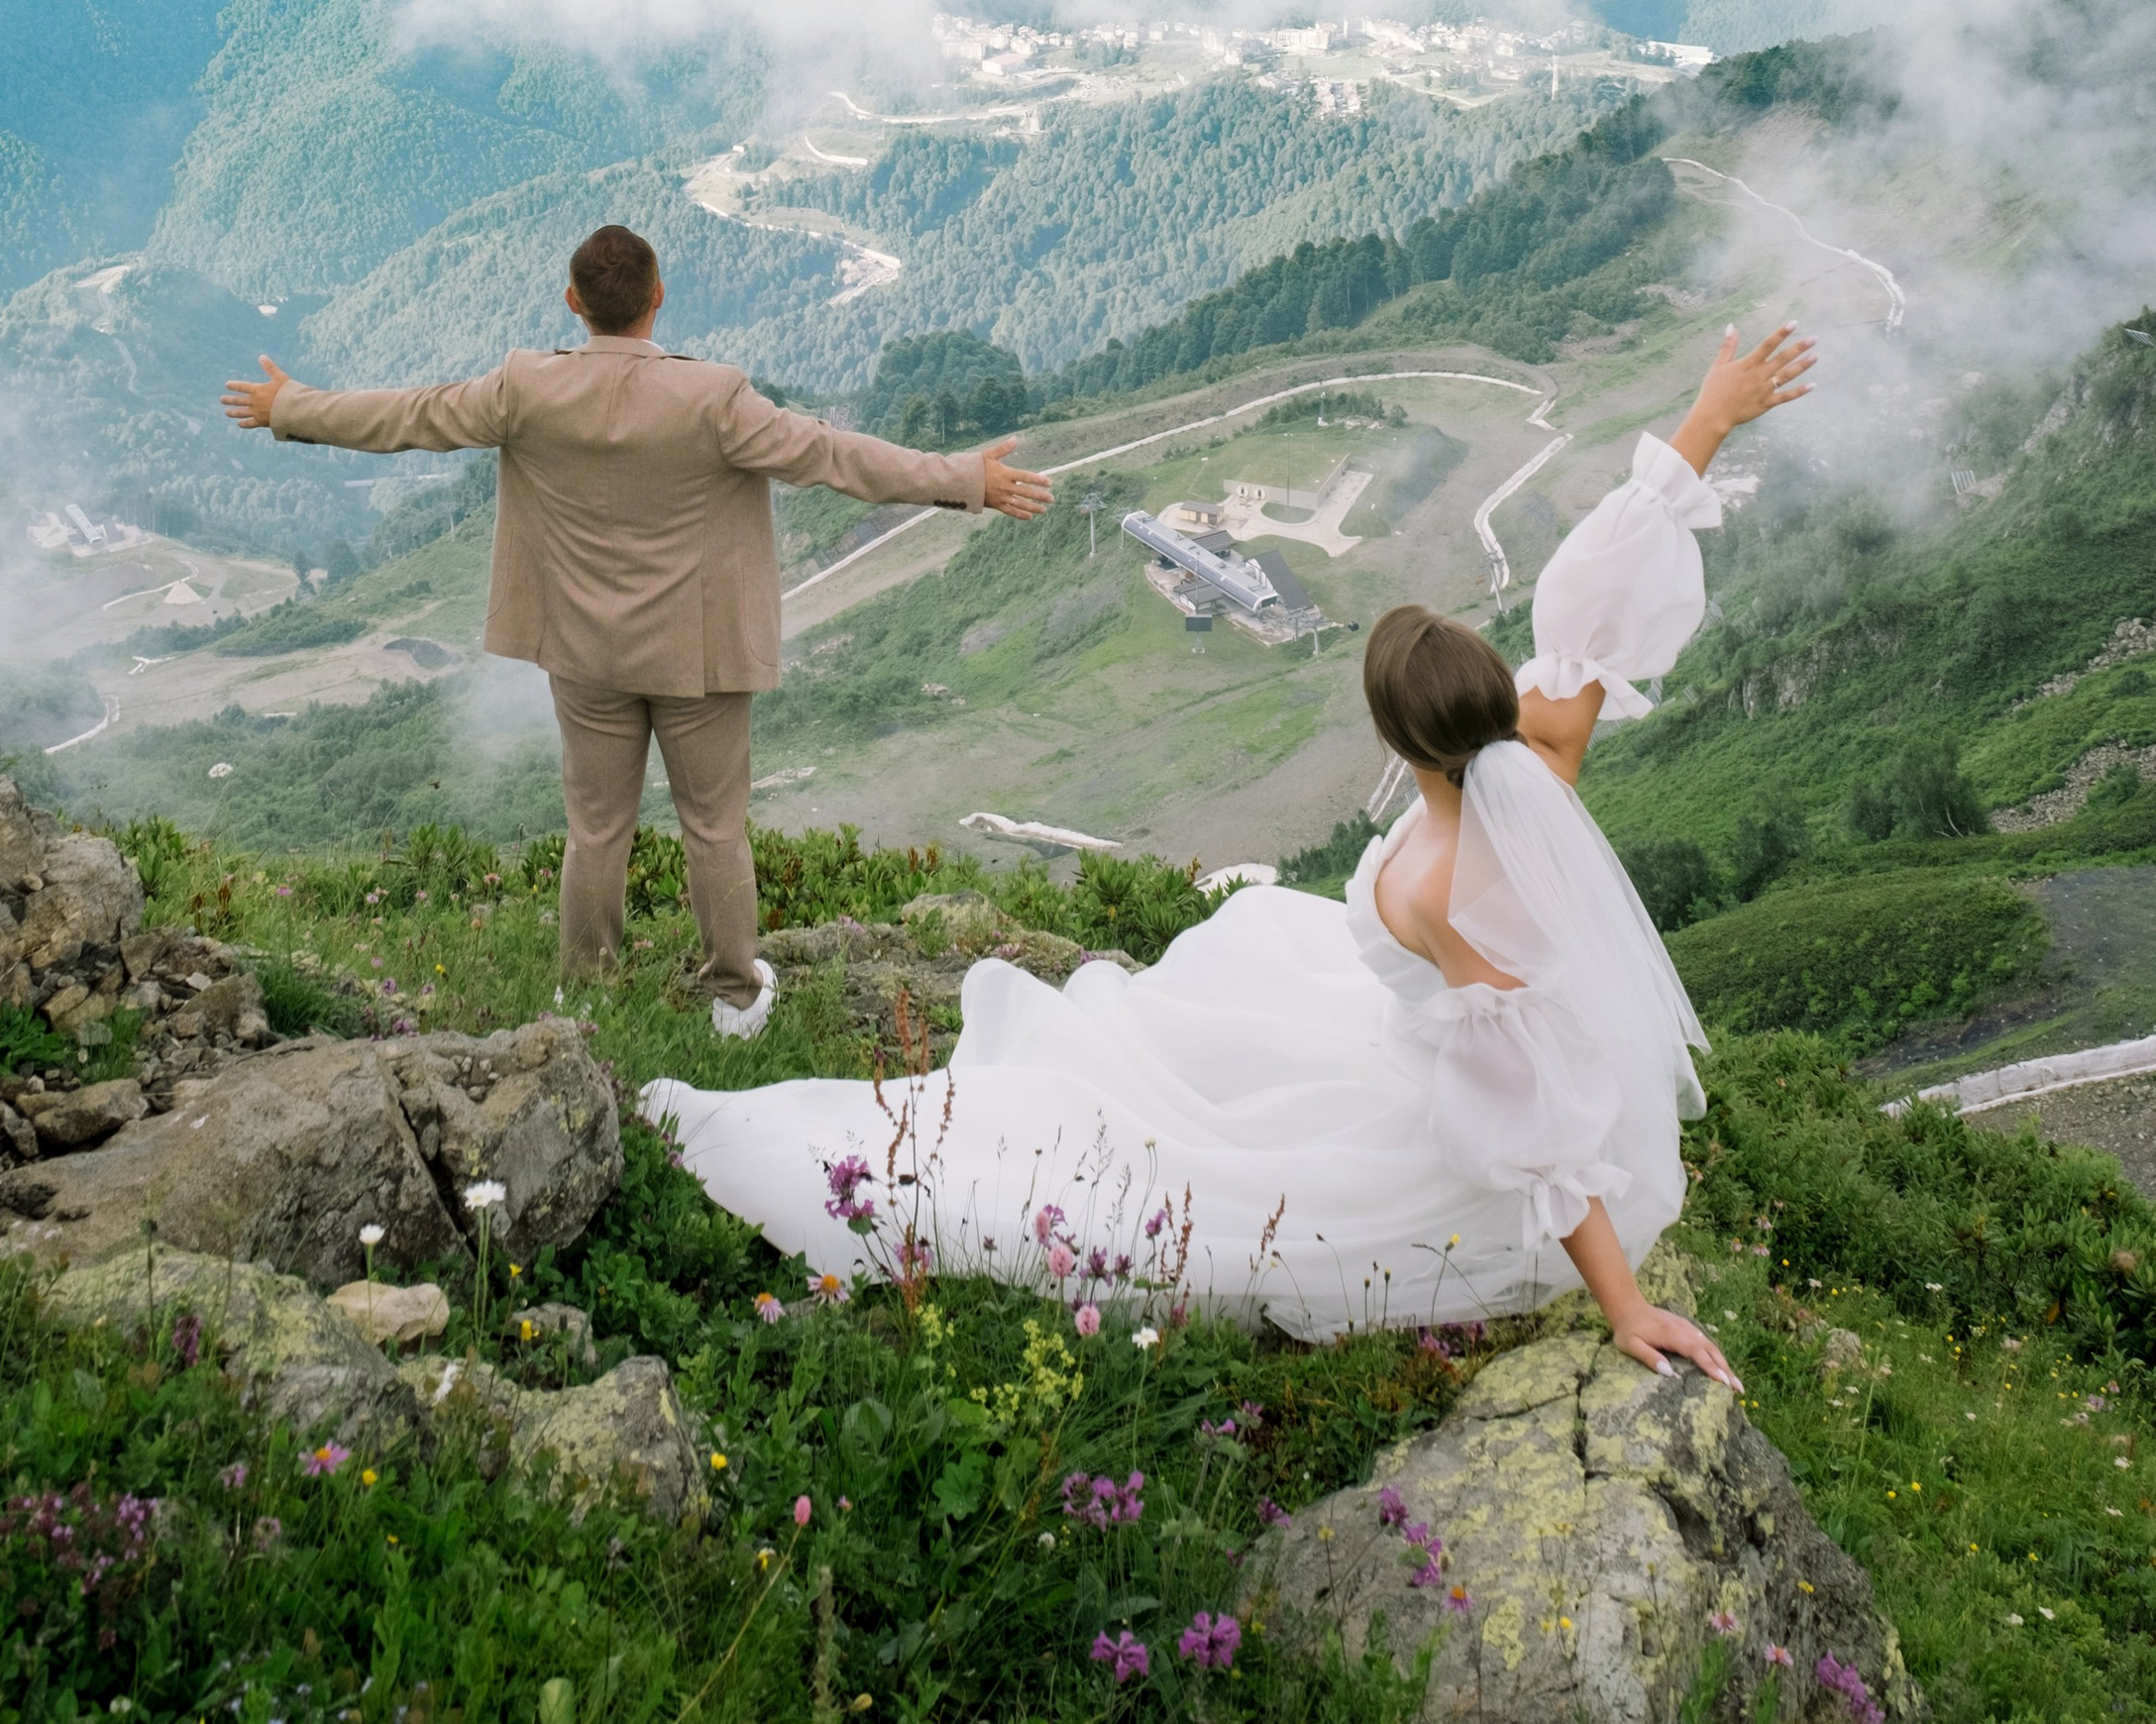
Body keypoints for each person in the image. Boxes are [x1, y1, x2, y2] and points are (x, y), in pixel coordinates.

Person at [650, 322, 1811, 1373]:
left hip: (1458, 1136)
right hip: (1492, 1057)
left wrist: (1622, 1305)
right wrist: (1706, 420)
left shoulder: (1430, 889)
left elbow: (1534, 1128)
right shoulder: (1544, 746)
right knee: (1246, 949)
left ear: (1399, 742)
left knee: (1190, 1162)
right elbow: (1600, 597)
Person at [221, 224, 1054, 1035]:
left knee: (595, 831)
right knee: (715, 827)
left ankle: (587, 996)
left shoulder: (525, 387)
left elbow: (408, 416)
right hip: (702, 659)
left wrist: (290, 406)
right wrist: (963, 479)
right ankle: (734, 998)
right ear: (659, 298)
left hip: (586, 655)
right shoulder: (714, 397)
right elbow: (835, 457)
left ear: (572, 302)